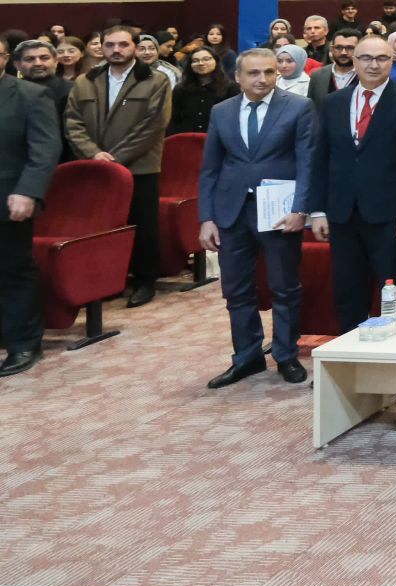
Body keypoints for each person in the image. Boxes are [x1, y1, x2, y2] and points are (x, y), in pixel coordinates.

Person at [195, 48, 316, 387]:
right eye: (254, 73)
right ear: (238, 77)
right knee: (236, 290)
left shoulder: (299, 107)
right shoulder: (221, 111)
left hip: (279, 211)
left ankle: (286, 355)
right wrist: (206, 217)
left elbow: (308, 162)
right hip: (232, 211)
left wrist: (300, 210)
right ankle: (247, 357)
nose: (262, 79)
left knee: (284, 287)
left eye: (269, 72)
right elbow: (210, 168)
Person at [308, 35, 396, 333]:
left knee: (392, 290)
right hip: (342, 213)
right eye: (366, 58)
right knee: (347, 290)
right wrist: (317, 210)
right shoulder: (334, 102)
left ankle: (395, 353)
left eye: (381, 58)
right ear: (354, 60)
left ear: (391, 61)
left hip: (389, 214)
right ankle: (351, 351)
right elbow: (321, 158)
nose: (373, 65)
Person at [64, 25, 171, 308]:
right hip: (96, 168)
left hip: (139, 167)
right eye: (110, 44)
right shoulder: (86, 80)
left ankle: (145, 280)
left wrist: (115, 158)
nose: (116, 50)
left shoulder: (155, 80)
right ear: (101, 47)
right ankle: (110, 280)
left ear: (134, 46)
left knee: (143, 225)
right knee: (104, 227)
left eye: (123, 44)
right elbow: (73, 122)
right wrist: (93, 154)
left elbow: (153, 125)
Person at [0, 69, 60, 378]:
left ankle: (24, 343)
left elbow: (45, 149)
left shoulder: (31, 95)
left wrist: (29, 191)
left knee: (13, 270)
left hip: (9, 197)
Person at [169, 46, 234, 135]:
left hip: (218, 139)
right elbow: (173, 119)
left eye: (206, 59)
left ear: (216, 61)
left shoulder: (231, 88)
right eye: (195, 61)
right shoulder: (181, 89)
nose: (201, 63)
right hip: (186, 139)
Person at [307, 27, 359, 103]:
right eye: (339, 47)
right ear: (331, 49)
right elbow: (312, 106)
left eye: (350, 48)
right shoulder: (317, 76)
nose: (343, 52)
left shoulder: (367, 75)